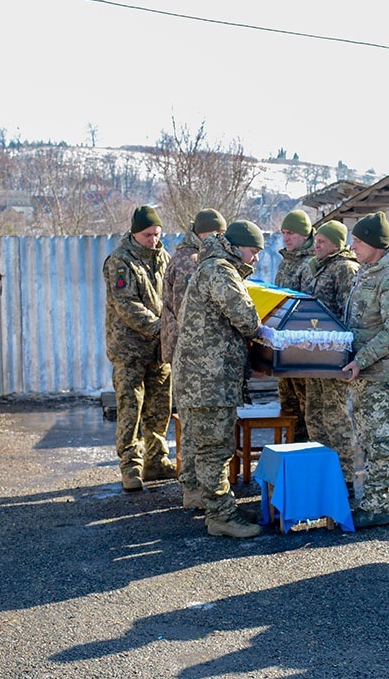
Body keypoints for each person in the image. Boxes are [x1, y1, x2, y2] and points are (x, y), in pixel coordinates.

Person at [174, 221, 265, 537]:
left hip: (203, 378)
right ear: (239, 247)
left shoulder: (210, 266)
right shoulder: (221, 271)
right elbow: (246, 318)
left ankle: (210, 500)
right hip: (209, 380)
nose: (255, 259)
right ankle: (221, 516)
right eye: (254, 251)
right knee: (216, 448)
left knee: (206, 445)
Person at [341, 212, 389, 527]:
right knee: (367, 442)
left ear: (375, 243)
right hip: (365, 376)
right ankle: (371, 503)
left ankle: (378, 508)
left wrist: (361, 359)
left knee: (383, 445)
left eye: (358, 240)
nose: (352, 245)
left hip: (384, 377)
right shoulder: (367, 272)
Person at [103, 206, 174, 493]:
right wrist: (161, 328)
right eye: (148, 235)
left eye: (157, 234)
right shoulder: (120, 261)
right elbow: (126, 305)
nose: (153, 240)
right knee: (130, 408)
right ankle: (131, 467)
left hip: (158, 350)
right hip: (129, 350)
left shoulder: (164, 258)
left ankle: (156, 461)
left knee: (159, 408)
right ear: (135, 233)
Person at [161, 208, 227, 510]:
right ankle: (192, 488)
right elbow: (187, 310)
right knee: (192, 424)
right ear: (207, 233)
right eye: (218, 234)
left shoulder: (187, 256)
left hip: (183, 351)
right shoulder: (191, 262)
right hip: (190, 353)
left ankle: (193, 486)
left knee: (190, 421)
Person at [302, 220, 360, 491]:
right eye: (316, 240)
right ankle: (322, 473)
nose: (317, 244)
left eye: (323, 241)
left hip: (334, 356)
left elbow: (349, 314)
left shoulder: (346, 269)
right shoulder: (314, 267)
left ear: (337, 243)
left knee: (336, 417)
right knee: (314, 415)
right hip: (312, 355)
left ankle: (346, 477)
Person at [275, 209, 316, 443]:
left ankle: (303, 445)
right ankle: (290, 444)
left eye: (290, 233)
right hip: (282, 341)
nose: (286, 238)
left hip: (300, 343)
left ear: (304, 234)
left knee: (304, 400)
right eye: (283, 233)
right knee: (287, 399)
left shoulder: (310, 263)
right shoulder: (285, 262)